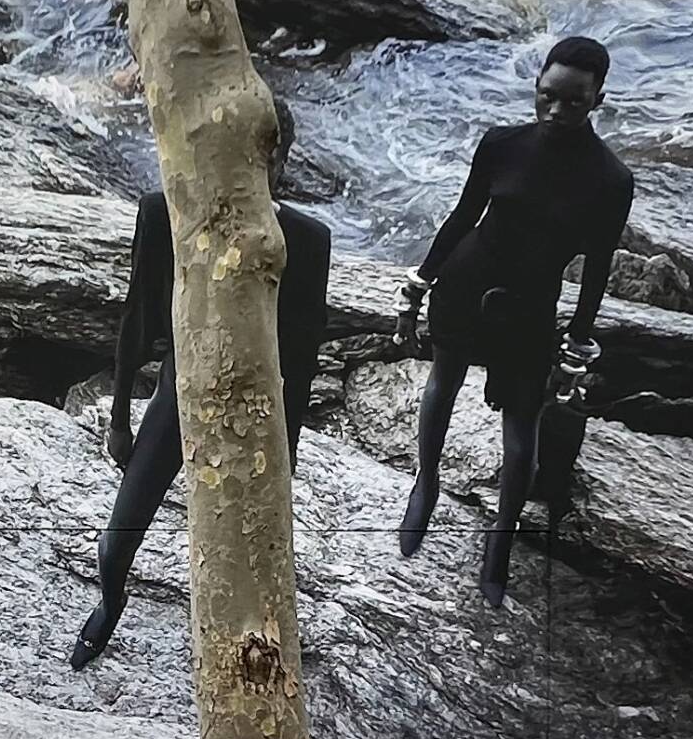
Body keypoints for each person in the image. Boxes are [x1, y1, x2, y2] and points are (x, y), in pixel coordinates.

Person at [70, 98, 334, 671]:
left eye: (266, 160)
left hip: (258, 412)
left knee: (251, 550)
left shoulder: (307, 240)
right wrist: (118, 417)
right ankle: (112, 598)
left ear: (282, 161)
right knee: (119, 538)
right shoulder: (164, 214)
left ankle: (253, 644)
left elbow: (304, 353)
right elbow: (137, 320)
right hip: (182, 395)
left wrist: (287, 452)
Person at [395, 36, 634, 606]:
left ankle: (501, 536)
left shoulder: (610, 179)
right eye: (547, 96)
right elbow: (462, 216)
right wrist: (420, 282)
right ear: (536, 87)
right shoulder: (501, 144)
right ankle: (425, 482)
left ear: (597, 99)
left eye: (573, 102)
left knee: (521, 428)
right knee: (442, 387)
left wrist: (579, 337)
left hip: (531, 305)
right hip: (465, 284)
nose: (556, 111)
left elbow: (597, 268)